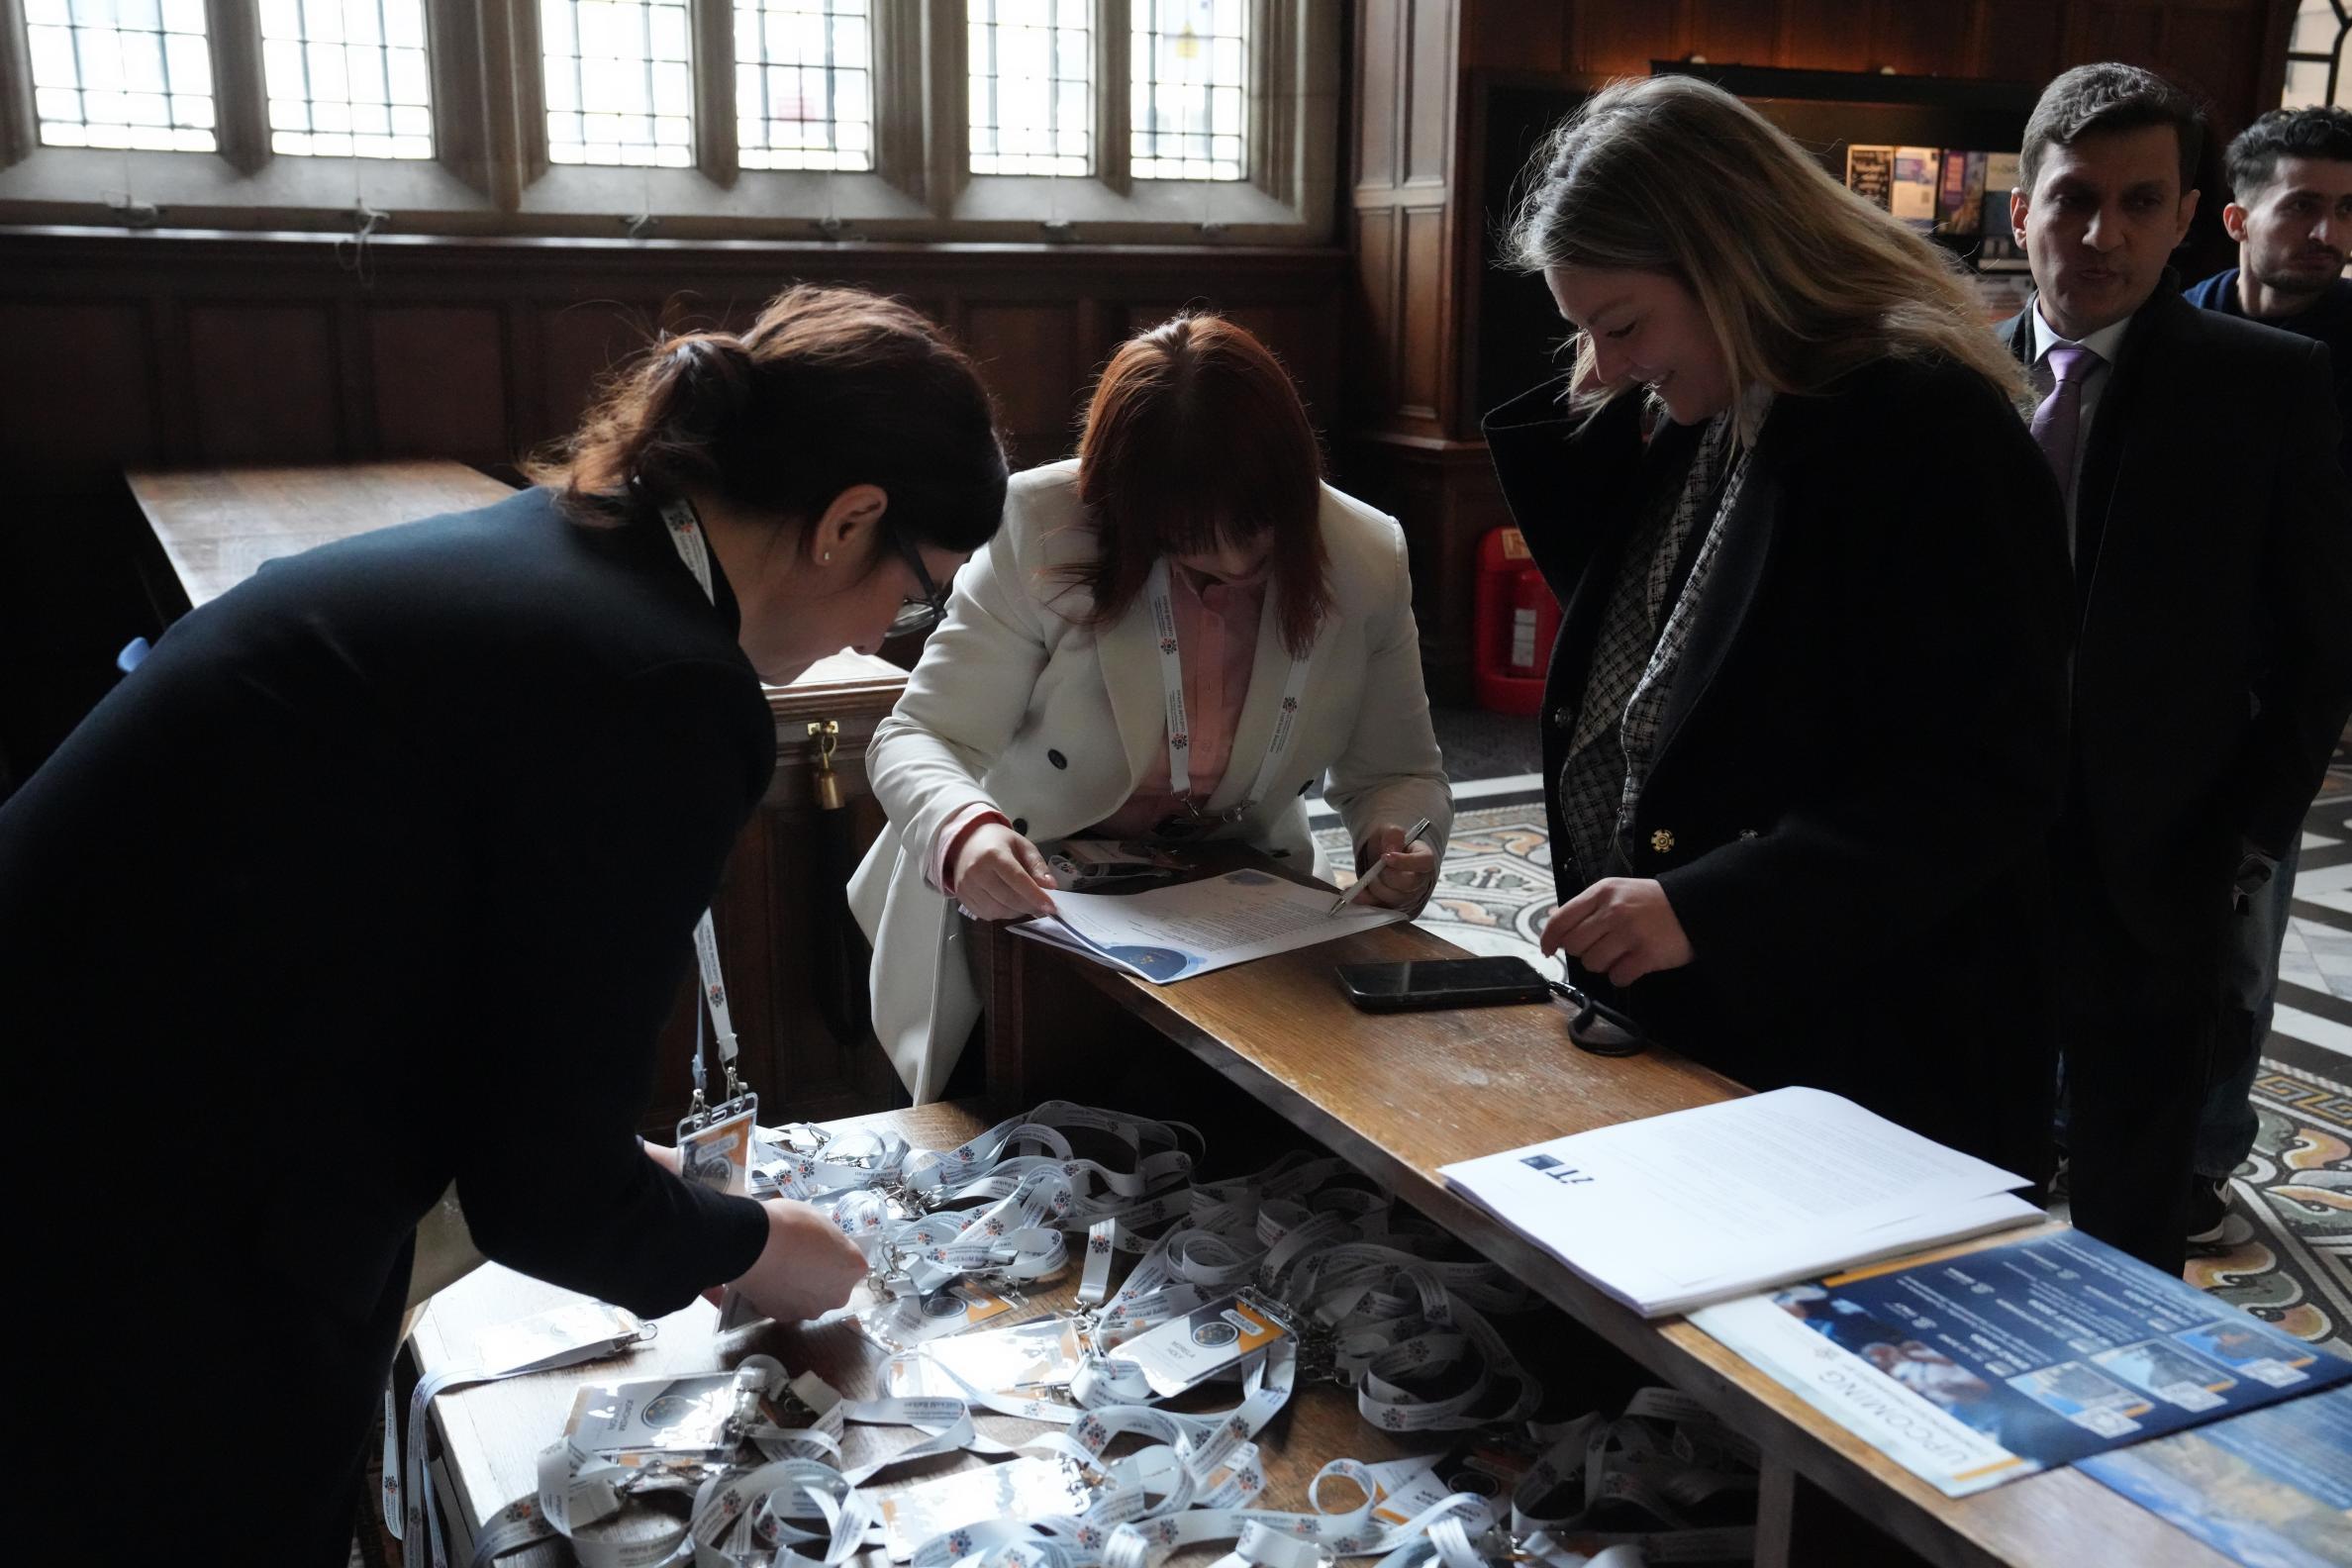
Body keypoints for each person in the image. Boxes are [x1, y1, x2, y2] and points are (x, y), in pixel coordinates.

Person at [0, 284, 1010, 1563]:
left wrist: (638, 1178)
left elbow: (457, 993)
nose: (889, 635)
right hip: (132, 1225)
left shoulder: (565, 550)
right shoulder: (662, 687)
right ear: (848, 521)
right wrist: (757, 1247)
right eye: (916, 596)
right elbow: (541, 1200)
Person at [1489, 75, 2074, 1179]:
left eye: (1622, 325)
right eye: (1583, 331)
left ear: (1731, 260)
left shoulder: (1927, 422)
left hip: (1880, 1039)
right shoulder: (1728, 399)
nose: (1601, 370)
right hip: (1733, 1020)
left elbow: (1990, 777)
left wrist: (1711, 909)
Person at [852, 314, 1452, 1102]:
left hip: (1241, 899)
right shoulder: (1040, 523)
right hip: (1030, 891)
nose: (1231, 565)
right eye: (1190, 541)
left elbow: (1401, 773)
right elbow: (920, 733)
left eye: (1257, 536)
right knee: (1015, 1122)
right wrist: (965, 831)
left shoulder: (1365, 554)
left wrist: (1397, 841)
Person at [1995, 64, 2352, 1271]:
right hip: (1969, 862)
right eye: (2074, 199)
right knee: (1959, 1182)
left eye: (2142, 203)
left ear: (2189, 215)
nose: (2105, 235)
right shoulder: (1952, 378)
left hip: (2165, 860)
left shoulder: (2264, 384)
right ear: (2022, 211)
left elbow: (2317, 641)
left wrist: (2247, 837)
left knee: (2133, 1210)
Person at [2180, 104, 2352, 1240]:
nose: (2328, 233)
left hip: (2277, 693)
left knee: (2237, 947)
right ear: (2240, 218)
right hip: (2154, 681)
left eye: (2347, 210)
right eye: (2303, 207)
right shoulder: (2176, 332)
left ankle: (2203, 1155)